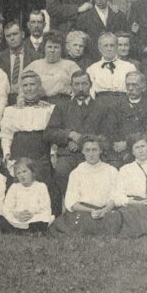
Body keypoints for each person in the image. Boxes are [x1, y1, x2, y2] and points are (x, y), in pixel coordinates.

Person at [44, 71, 113, 207]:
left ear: (91, 85)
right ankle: (72, 206)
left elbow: (107, 134)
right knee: (62, 170)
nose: (80, 88)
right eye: (76, 84)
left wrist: (81, 143)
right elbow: (49, 133)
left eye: (84, 84)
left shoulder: (102, 107)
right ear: (71, 86)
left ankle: (93, 206)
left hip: (94, 154)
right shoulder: (62, 107)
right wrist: (70, 135)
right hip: (69, 154)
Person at [50, 135, 122, 236]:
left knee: (114, 219)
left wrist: (104, 210)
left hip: (106, 210)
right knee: (82, 221)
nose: (91, 154)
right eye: (87, 150)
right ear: (82, 151)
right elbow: (72, 202)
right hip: (84, 211)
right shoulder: (76, 173)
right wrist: (91, 211)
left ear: (100, 150)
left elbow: (115, 196)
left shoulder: (111, 171)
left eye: (94, 150)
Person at [0, 71, 56, 185]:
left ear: (38, 86)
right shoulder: (11, 110)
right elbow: (6, 135)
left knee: (42, 182)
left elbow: (53, 134)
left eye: (32, 84)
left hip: (41, 150)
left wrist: (53, 153)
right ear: (21, 88)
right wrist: (7, 153)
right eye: (25, 85)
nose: (29, 89)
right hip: (19, 148)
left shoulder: (49, 109)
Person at [113, 134, 147, 236]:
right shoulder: (125, 170)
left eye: (143, 146)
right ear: (132, 151)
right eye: (136, 147)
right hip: (134, 205)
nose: (140, 150)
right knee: (129, 214)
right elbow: (117, 196)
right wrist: (135, 202)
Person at [103, 71, 147, 167]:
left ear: (143, 87)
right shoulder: (115, 107)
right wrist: (119, 145)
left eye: (135, 85)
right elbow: (110, 131)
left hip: (142, 150)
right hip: (119, 151)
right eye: (128, 85)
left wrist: (128, 143)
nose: (130, 88)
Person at [0, 158, 54, 233]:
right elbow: (7, 207)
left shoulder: (41, 186)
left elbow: (45, 207)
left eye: (24, 171)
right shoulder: (15, 187)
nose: (22, 175)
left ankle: (23, 230)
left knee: (43, 220)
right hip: (17, 217)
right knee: (0, 218)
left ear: (32, 172)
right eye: (18, 173)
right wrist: (17, 214)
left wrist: (30, 213)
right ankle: (19, 230)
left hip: (34, 216)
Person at [23, 31, 79, 105]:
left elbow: (80, 85)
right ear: (44, 48)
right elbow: (22, 84)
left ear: (61, 49)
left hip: (64, 104)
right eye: (49, 47)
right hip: (40, 104)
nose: (52, 50)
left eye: (56, 47)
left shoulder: (71, 65)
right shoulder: (35, 65)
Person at [86, 32, 137, 107]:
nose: (109, 49)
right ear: (100, 48)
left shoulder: (129, 67)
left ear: (116, 47)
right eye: (105, 46)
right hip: (100, 106)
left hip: (123, 105)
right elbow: (90, 92)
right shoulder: (92, 69)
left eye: (112, 45)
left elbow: (133, 89)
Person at [0, 20, 28, 106]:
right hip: (6, 102)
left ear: (23, 35)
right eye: (8, 36)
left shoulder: (35, 56)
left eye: (15, 34)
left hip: (28, 101)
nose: (12, 38)